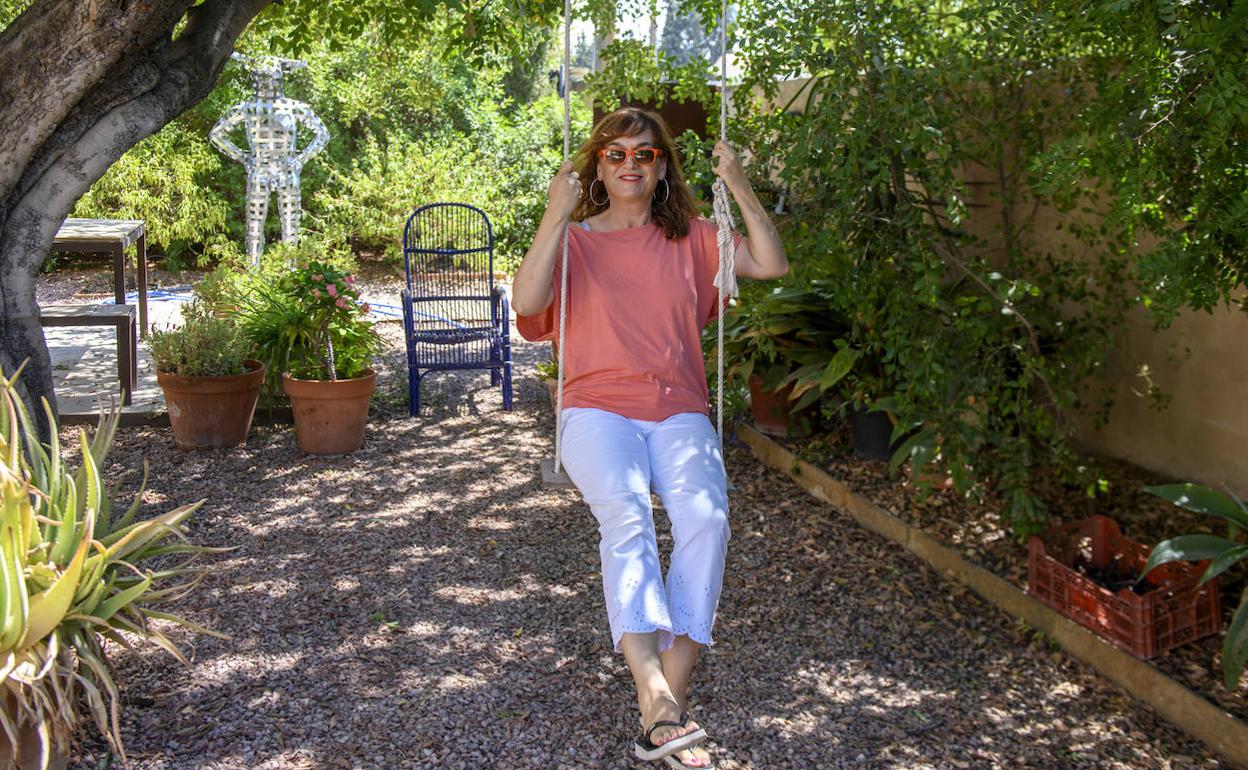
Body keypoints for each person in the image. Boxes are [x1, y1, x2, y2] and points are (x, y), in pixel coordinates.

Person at [512, 108, 787, 769]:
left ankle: (663, 701)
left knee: (707, 520)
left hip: (677, 410)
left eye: (645, 154)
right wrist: (555, 213)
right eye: (615, 154)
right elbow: (526, 303)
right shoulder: (574, 240)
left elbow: (771, 264)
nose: (630, 164)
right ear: (596, 165)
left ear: (663, 165)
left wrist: (741, 187)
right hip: (595, 410)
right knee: (628, 517)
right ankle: (660, 702)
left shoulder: (691, 236)